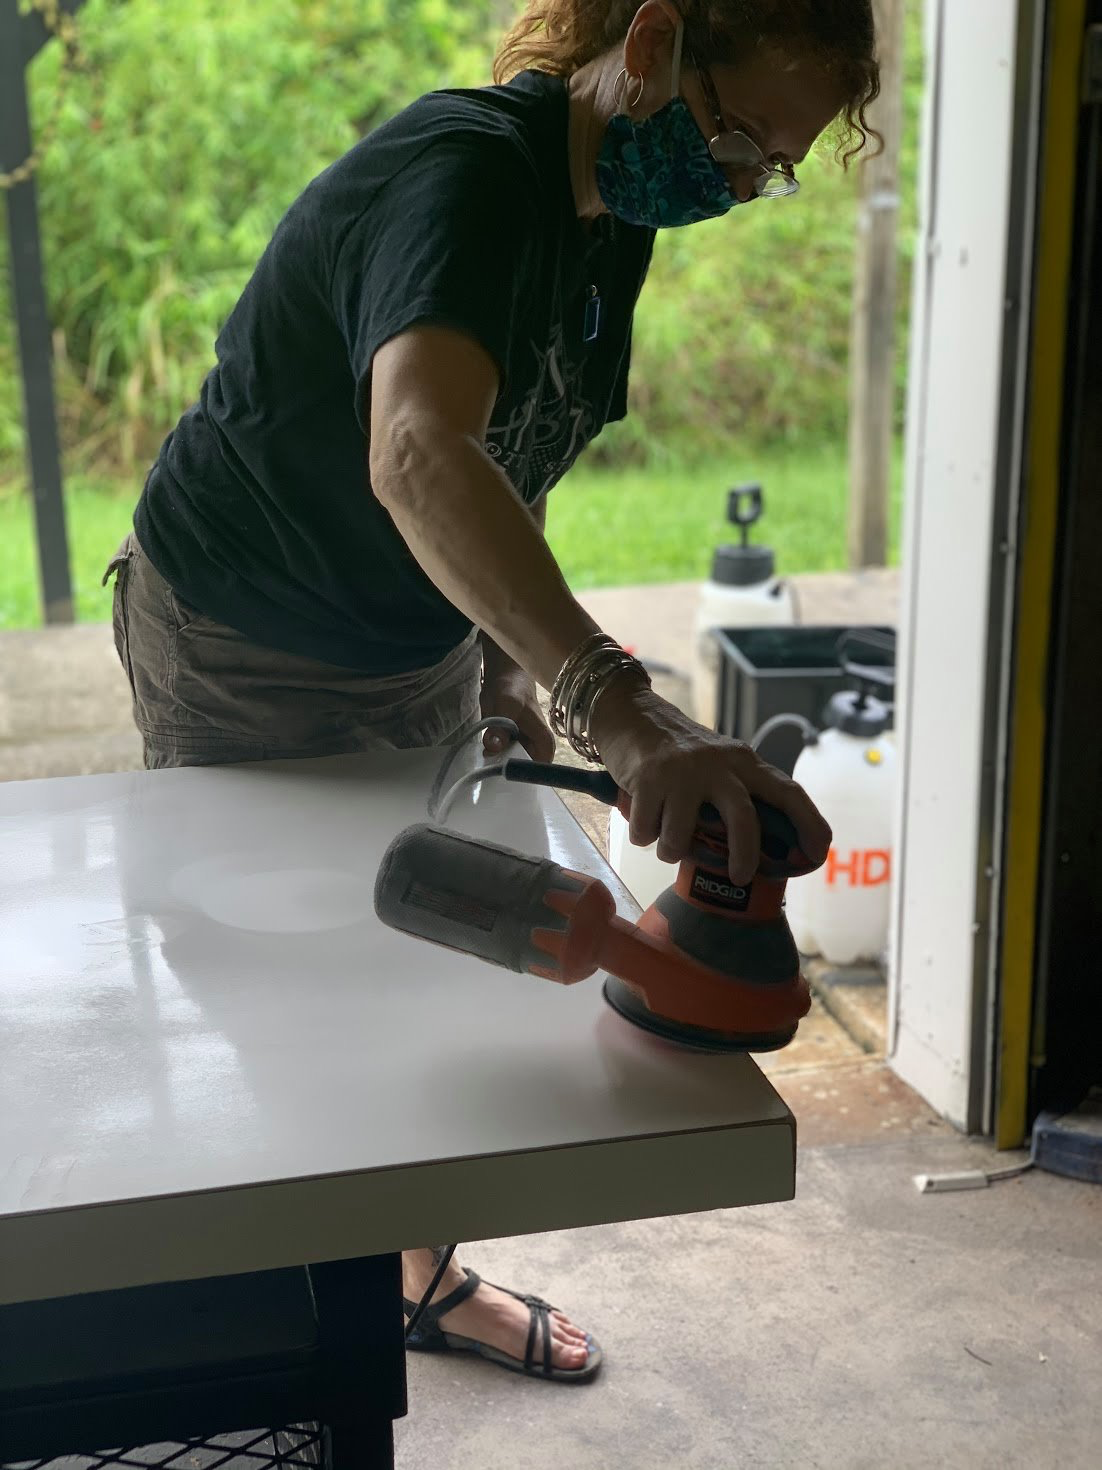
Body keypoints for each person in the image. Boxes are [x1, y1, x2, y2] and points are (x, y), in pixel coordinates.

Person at [106, 0, 878, 1383]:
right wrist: (622, 708)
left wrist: (498, 665)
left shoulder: (606, 224)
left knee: (407, 966)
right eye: (734, 135)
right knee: (304, 989)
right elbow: (416, 452)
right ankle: (313, 1326)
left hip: (406, 634)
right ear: (648, 43)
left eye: (770, 165)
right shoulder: (464, 179)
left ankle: (410, 1276)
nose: (737, 183)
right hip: (248, 626)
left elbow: (512, 456)